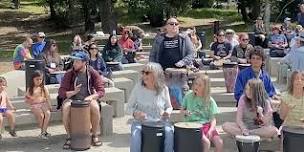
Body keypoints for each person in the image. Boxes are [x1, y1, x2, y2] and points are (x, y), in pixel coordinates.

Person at [58, 51, 104, 149]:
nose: (74, 64)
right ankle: (70, 136)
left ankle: (94, 135)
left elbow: (101, 91)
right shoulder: (69, 73)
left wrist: (90, 97)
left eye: (77, 62)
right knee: (66, 109)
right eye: (74, 61)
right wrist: (73, 92)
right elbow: (61, 92)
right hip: (72, 99)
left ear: (84, 63)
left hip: (88, 98)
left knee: (95, 108)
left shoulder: (92, 72)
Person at [127, 62, 174, 152]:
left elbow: (169, 107)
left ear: (156, 75)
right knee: (135, 135)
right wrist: (136, 113)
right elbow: (128, 108)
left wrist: (167, 112)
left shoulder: (164, 89)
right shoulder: (138, 87)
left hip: (160, 121)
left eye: (147, 73)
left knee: (169, 133)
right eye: (143, 72)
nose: (144, 75)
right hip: (141, 122)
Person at [234, 47, 282, 129]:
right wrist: (252, 98)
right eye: (253, 58)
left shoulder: (265, 76)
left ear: (263, 61)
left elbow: (271, 92)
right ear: (250, 60)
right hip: (247, 103)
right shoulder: (242, 74)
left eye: (258, 58)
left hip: (263, 103)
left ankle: (278, 132)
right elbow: (238, 93)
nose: (255, 61)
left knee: (278, 108)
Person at [181, 74, 223, 152]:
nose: (196, 86)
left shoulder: (210, 100)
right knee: (206, 142)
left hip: (206, 125)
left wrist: (211, 130)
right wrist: (185, 112)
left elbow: (213, 119)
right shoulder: (188, 96)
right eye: (196, 84)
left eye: (200, 85)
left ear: (205, 88)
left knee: (219, 143)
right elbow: (182, 110)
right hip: (193, 126)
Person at [25, 70, 51, 139]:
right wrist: (30, 100)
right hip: (34, 105)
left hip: (43, 103)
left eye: (40, 79)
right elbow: (27, 100)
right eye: (37, 79)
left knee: (48, 113)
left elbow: (48, 97)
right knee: (41, 115)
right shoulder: (30, 89)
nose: (39, 81)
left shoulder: (44, 88)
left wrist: (50, 106)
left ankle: (44, 131)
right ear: (33, 79)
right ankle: (43, 132)